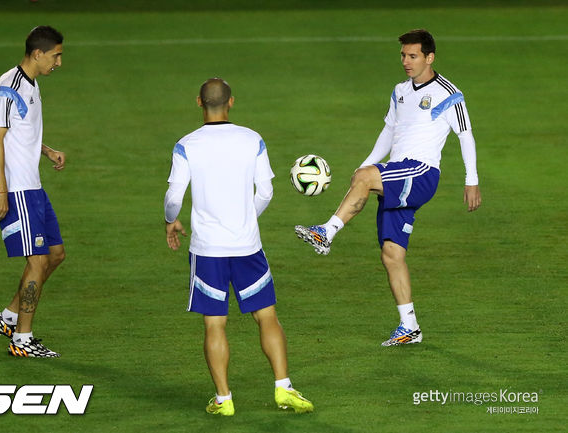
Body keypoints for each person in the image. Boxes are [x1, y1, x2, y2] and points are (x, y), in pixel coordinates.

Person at [296, 29, 482, 347]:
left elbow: (465, 135)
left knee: (367, 180)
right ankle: (409, 327)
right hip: (399, 173)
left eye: (412, 56)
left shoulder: (449, 93)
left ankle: (326, 232)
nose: (406, 62)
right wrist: (365, 164)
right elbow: (389, 130)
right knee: (391, 254)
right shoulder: (399, 91)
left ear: (429, 57)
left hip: (421, 172)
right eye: (403, 56)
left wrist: (471, 180)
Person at [164, 78, 314, 416]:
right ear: (230, 102)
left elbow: (174, 197)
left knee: (215, 324)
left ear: (198, 102)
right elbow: (266, 192)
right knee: (267, 316)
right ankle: (284, 387)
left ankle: (224, 399)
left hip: (207, 251)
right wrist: (247, 217)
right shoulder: (252, 139)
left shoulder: (186, 145)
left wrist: (169, 220)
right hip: (248, 245)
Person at [0, 26, 66, 358]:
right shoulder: (9, 87)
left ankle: (8, 318)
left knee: (56, 254)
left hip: (32, 186)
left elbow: (22, 132)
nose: (59, 63)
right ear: (38, 53)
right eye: (56, 55)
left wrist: (46, 151)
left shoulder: (31, 85)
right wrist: (2, 192)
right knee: (37, 261)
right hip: (17, 189)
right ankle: (22, 338)